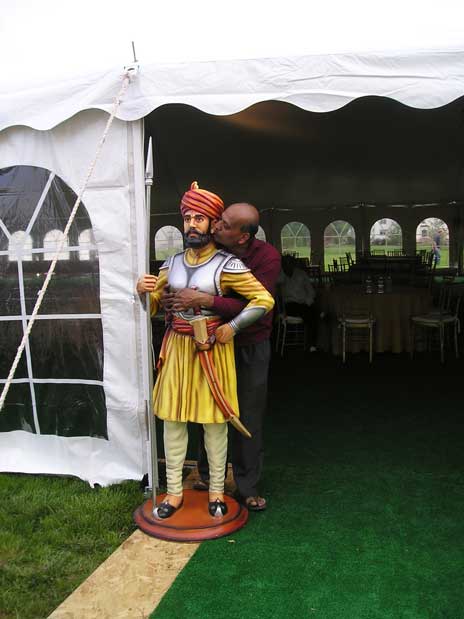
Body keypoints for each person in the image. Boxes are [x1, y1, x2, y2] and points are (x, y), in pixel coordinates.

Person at [137, 185, 274, 520]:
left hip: (211, 350)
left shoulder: (228, 264)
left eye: (199, 218)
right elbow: (153, 306)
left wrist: (232, 328)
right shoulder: (170, 264)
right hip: (176, 348)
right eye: (187, 218)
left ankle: (216, 492)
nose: (192, 225)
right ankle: (173, 492)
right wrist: (144, 292)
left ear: (213, 223)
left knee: (214, 424)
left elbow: (264, 300)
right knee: (172, 420)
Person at [166, 203, 281, 511]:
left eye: (225, 225)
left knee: (246, 414)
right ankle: (207, 477)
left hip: (249, 343)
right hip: (209, 343)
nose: (215, 226)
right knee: (209, 410)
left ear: (243, 237)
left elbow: (256, 303)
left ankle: (247, 486)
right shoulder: (210, 247)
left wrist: (208, 300)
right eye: (217, 220)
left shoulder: (267, 257)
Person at [278, 254, 319, 351]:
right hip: (290, 305)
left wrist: (308, 302)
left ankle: (312, 344)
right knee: (311, 313)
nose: (287, 266)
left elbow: (311, 291)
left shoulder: (301, 274)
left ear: (293, 264)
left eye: (289, 263)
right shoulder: (281, 276)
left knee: (310, 313)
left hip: (304, 304)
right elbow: (276, 284)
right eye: (285, 264)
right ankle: (312, 343)